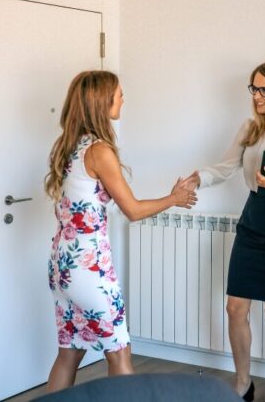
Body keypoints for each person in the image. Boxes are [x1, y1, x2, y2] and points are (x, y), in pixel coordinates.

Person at [43, 70, 197, 392]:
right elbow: (133, 210)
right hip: (89, 268)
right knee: (120, 352)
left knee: (70, 352)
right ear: (102, 101)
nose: (123, 98)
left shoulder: (69, 145)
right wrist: (175, 198)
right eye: (119, 93)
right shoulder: (99, 151)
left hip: (63, 265)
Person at [182, 60, 265, 402]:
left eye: (264, 90)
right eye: (253, 89)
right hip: (252, 220)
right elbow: (225, 167)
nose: (256, 96)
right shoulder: (250, 128)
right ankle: (243, 382)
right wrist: (198, 177)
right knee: (235, 307)